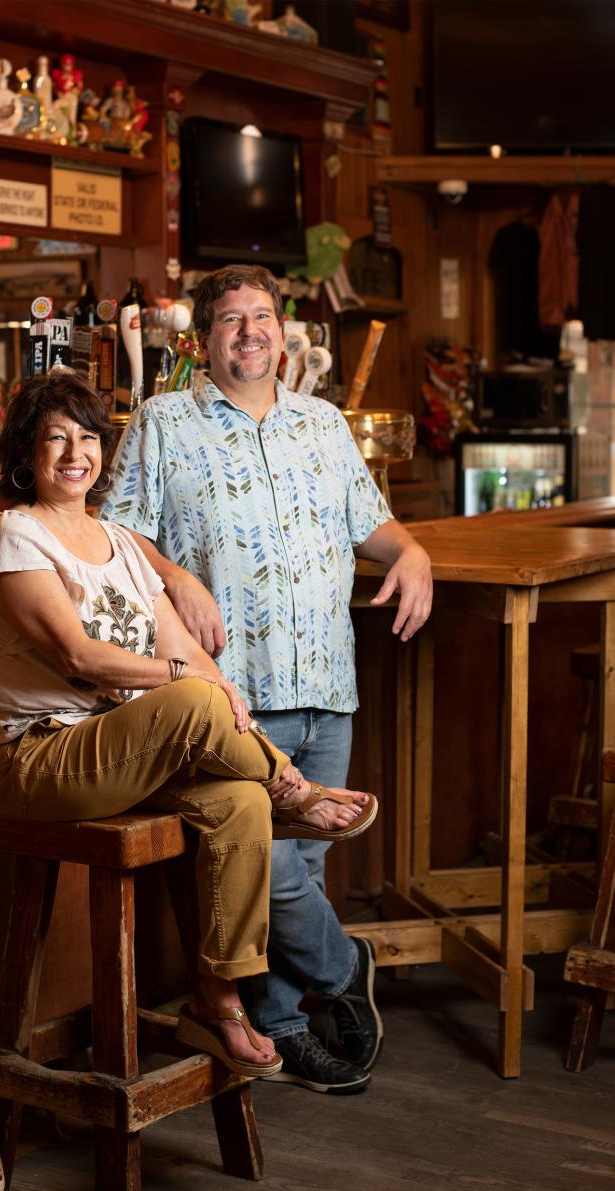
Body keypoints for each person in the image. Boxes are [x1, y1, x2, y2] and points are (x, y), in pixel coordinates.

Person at [0, 369, 378, 1080]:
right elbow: (81, 656)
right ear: (25, 453)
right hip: (37, 760)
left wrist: (217, 695)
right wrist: (199, 690)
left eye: (87, 437)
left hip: (124, 756)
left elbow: (185, 654)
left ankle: (219, 999)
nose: (74, 454)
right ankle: (291, 791)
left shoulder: (120, 542)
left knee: (238, 798)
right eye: (54, 438)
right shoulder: (12, 536)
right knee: (195, 699)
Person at [101, 264, 433, 1093]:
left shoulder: (323, 423)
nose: (250, 332)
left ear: (285, 332)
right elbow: (111, 536)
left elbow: (375, 525)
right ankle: (341, 962)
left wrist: (414, 552)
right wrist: (175, 576)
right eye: (230, 320)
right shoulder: (162, 422)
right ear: (203, 339)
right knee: (265, 862)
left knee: (304, 866)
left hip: (327, 681)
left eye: (262, 317)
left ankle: (285, 1031)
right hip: (228, 695)